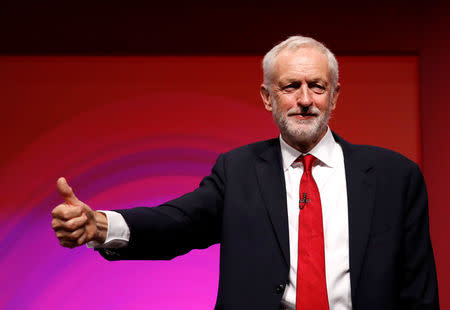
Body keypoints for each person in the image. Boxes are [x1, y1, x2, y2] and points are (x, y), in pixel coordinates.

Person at [51, 36, 439, 310]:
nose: (305, 100)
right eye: (291, 86)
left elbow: (419, 291)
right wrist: (101, 226)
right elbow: (178, 223)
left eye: (317, 86)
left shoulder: (395, 176)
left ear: (335, 96)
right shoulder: (237, 171)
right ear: (267, 97)